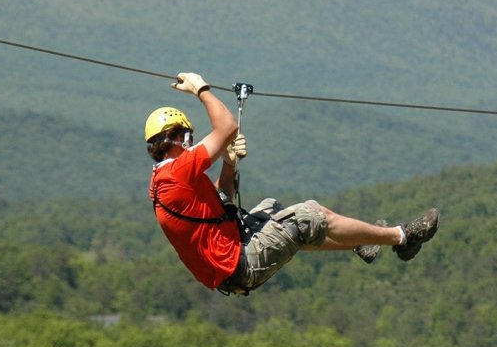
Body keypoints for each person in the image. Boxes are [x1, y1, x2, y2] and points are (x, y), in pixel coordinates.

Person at [146, 71, 440, 294]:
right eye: (188, 137)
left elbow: (222, 202)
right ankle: (402, 237)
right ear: (177, 138)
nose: (192, 143)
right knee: (310, 215)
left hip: (229, 261)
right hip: (239, 262)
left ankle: (361, 242)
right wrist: (202, 90)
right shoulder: (178, 173)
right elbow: (227, 126)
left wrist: (228, 163)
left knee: (273, 209)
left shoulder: (165, 180)